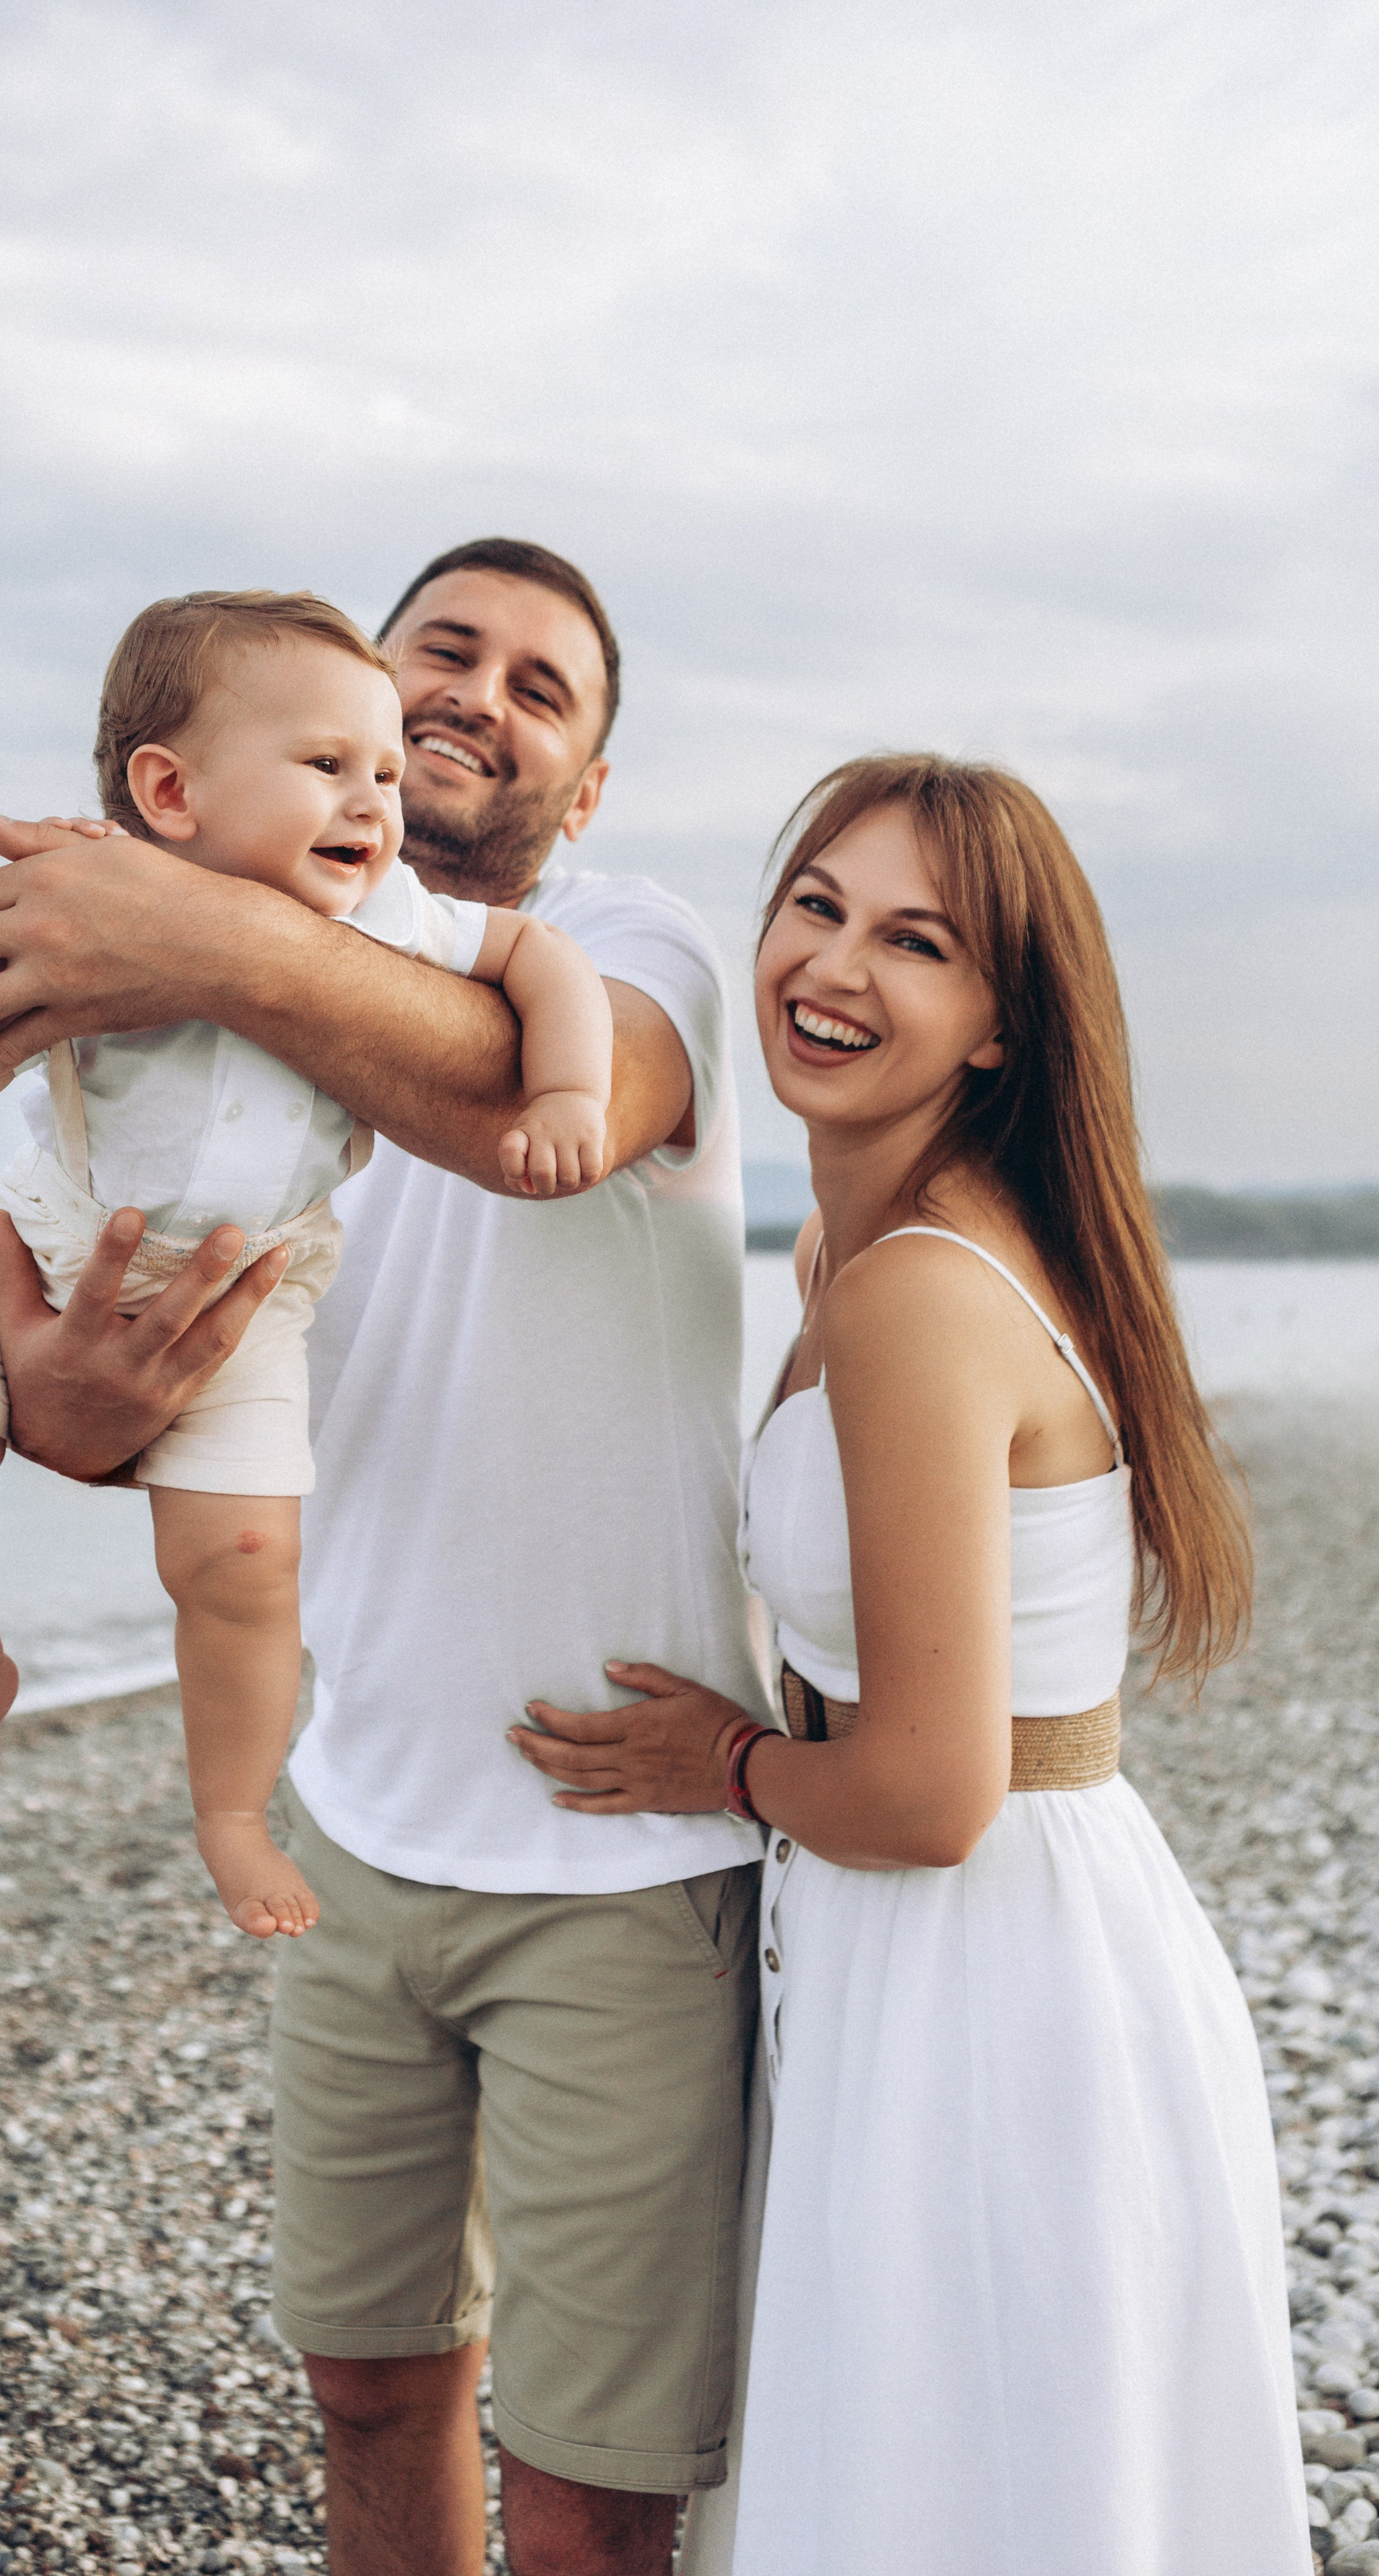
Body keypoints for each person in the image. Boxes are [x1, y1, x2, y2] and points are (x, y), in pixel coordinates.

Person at [0, 538, 766, 2576]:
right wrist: (75, 1414)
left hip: (615, 1854)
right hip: (355, 1821)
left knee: (591, 2478)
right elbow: (112, 1376)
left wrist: (181, 926)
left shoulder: (627, 949)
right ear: (353, 697)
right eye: (442, 649)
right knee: (368, 2387)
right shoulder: (220, 1022)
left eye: (542, 687)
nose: (476, 696)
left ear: (588, 785)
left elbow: (510, 1106)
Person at [512, 756, 1311, 2573]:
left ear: (998, 1026)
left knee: (941, 2487)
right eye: (817, 906)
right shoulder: (855, 1252)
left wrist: (720, 1764)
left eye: (916, 942)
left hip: (985, 1972)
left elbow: (935, 1795)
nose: (834, 967)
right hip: (984, 1934)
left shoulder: (915, 1296)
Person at [0, 587, 612, 1951]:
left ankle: (233, 1812)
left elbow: (538, 956)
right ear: (171, 792)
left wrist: (565, 1094)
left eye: (384, 775)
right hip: (48, 1231)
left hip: (253, 1281)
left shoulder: (393, 917)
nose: (373, 802)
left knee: (245, 1561)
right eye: (329, 765)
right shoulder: (99, 890)